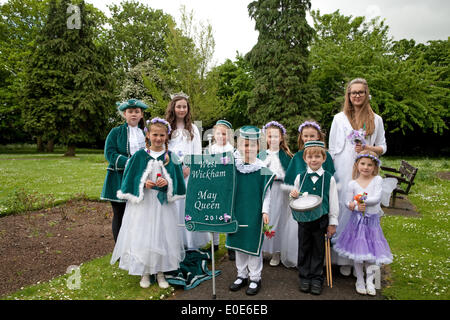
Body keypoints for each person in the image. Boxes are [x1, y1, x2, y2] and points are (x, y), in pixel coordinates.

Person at [110, 118, 186, 289]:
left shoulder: (170, 157)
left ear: (166, 136)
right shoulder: (139, 156)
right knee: (143, 233)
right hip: (144, 204)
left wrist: (167, 183)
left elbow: (177, 178)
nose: (158, 138)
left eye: (161, 135)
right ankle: (145, 271)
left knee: (162, 234)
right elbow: (129, 178)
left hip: (163, 205)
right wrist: (142, 184)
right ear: (148, 135)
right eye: (155, 134)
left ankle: (160, 272)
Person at [329, 78, 387, 276]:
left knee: (362, 215)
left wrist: (368, 148)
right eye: (353, 92)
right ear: (348, 95)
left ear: (366, 94)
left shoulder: (376, 120)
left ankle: (359, 258)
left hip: (366, 172)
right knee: (344, 210)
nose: (356, 96)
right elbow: (331, 149)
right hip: (343, 171)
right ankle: (342, 258)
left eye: (360, 92)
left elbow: (383, 147)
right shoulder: (339, 118)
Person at [333, 151, 393, 296]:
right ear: (357, 165)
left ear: (375, 167)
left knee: (371, 254)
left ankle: (370, 281)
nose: (366, 167)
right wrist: (353, 204)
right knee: (358, 252)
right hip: (356, 223)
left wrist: (360, 200)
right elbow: (347, 201)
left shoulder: (377, 180)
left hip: (371, 223)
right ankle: (359, 280)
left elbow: (376, 198)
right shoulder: (352, 183)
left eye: (369, 165)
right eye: (363, 164)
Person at [226, 126, 275, 295]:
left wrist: (265, 211)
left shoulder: (262, 169)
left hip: (254, 213)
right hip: (237, 211)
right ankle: (241, 275)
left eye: (252, 145)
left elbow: (266, 194)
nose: (248, 149)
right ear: (239, 147)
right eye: (245, 145)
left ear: (258, 147)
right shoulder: (234, 166)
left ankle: (255, 277)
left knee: (253, 246)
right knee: (239, 245)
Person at [281, 120, 334, 267]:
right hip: (301, 207)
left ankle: (316, 268)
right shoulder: (298, 156)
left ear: (319, 137)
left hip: (320, 208)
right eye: (306, 136)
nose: (309, 139)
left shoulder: (326, 157)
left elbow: (330, 179)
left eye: (312, 136)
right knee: (301, 238)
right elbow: (291, 181)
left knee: (317, 241)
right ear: (301, 137)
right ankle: (300, 264)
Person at [289, 141, 339, 295]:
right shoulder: (300, 177)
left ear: (324, 158)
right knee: (304, 248)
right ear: (305, 159)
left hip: (321, 220)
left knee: (318, 250)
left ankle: (317, 278)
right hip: (304, 220)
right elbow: (293, 201)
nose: (314, 160)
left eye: (317, 156)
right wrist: (293, 196)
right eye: (310, 157)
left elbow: (334, 202)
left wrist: (333, 222)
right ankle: (304, 277)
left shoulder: (329, 178)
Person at [165, 92, 209, 250]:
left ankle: (190, 243)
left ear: (188, 109)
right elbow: (165, 148)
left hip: (189, 172)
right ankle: (174, 242)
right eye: (178, 106)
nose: (181, 109)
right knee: (174, 206)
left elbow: (197, 151)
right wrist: (172, 167)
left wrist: (190, 167)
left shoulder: (194, 129)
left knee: (187, 206)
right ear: (173, 108)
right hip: (172, 171)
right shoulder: (168, 127)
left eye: (184, 107)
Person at [100, 99, 148, 242]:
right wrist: (129, 163)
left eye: (137, 112)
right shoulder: (116, 132)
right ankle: (120, 251)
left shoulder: (146, 133)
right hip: (119, 179)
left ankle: (135, 246)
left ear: (141, 115)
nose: (133, 114)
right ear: (124, 114)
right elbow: (109, 153)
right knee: (119, 215)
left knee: (139, 215)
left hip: (141, 179)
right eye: (130, 112)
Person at [258, 121, 293, 267]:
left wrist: (279, 177)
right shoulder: (260, 155)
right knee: (266, 217)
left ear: (281, 138)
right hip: (265, 191)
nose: (272, 139)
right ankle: (263, 248)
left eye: (276, 136)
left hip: (280, 191)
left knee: (279, 218)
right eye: (270, 136)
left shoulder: (286, 155)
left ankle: (277, 251)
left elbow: (290, 174)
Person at [207, 119, 235, 259]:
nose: (221, 137)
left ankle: (231, 246)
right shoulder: (210, 149)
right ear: (214, 134)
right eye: (218, 134)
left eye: (224, 134)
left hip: (227, 185)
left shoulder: (232, 150)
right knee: (214, 213)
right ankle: (215, 243)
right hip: (214, 185)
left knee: (228, 214)